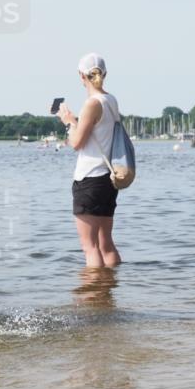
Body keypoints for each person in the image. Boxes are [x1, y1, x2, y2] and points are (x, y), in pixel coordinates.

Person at [56, 54, 122, 268]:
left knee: (90, 246)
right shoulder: (110, 100)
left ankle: (94, 298)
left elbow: (76, 143)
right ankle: (110, 290)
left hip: (89, 179)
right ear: (105, 74)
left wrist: (68, 122)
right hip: (108, 178)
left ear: (80, 76)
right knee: (106, 244)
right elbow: (94, 134)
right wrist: (77, 121)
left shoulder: (92, 103)